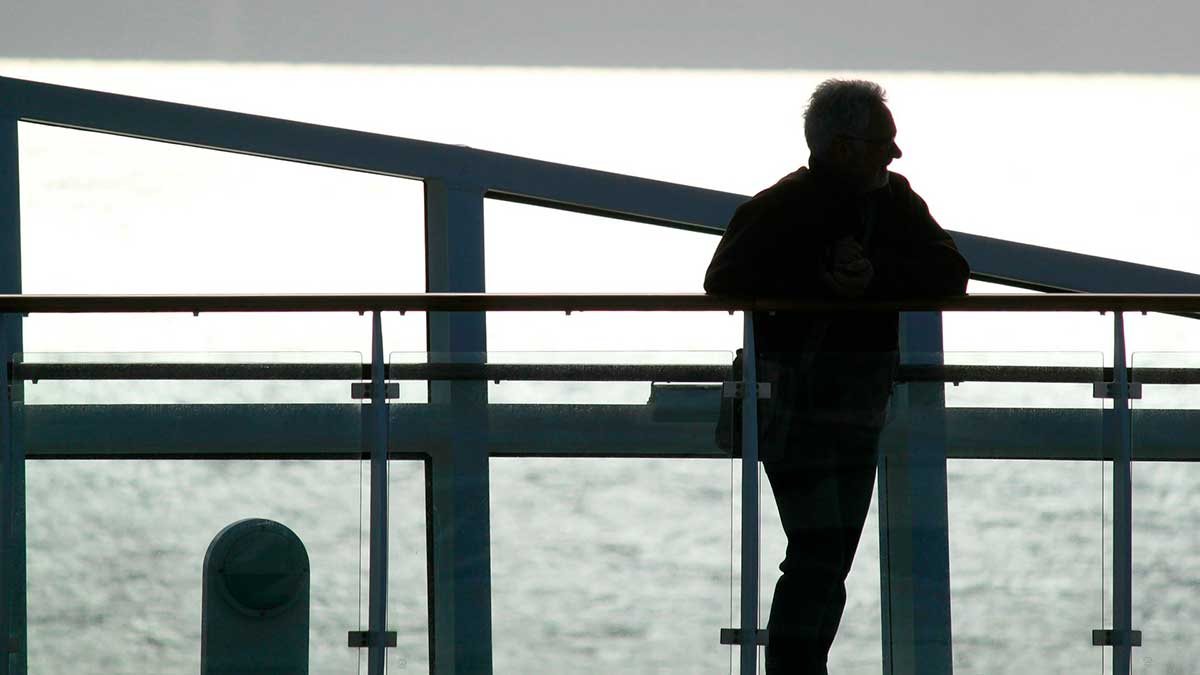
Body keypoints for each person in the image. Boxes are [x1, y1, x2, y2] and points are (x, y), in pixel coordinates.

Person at [704, 79, 969, 673]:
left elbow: (951, 273)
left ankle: (799, 667)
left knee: (824, 553)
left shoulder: (813, 203)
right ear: (847, 146)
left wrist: (867, 275)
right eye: (884, 141)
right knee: (822, 552)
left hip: (836, 403)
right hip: (815, 405)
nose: (894, 153)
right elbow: (724, 279)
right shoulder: (798, 205)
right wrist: (830, 278)